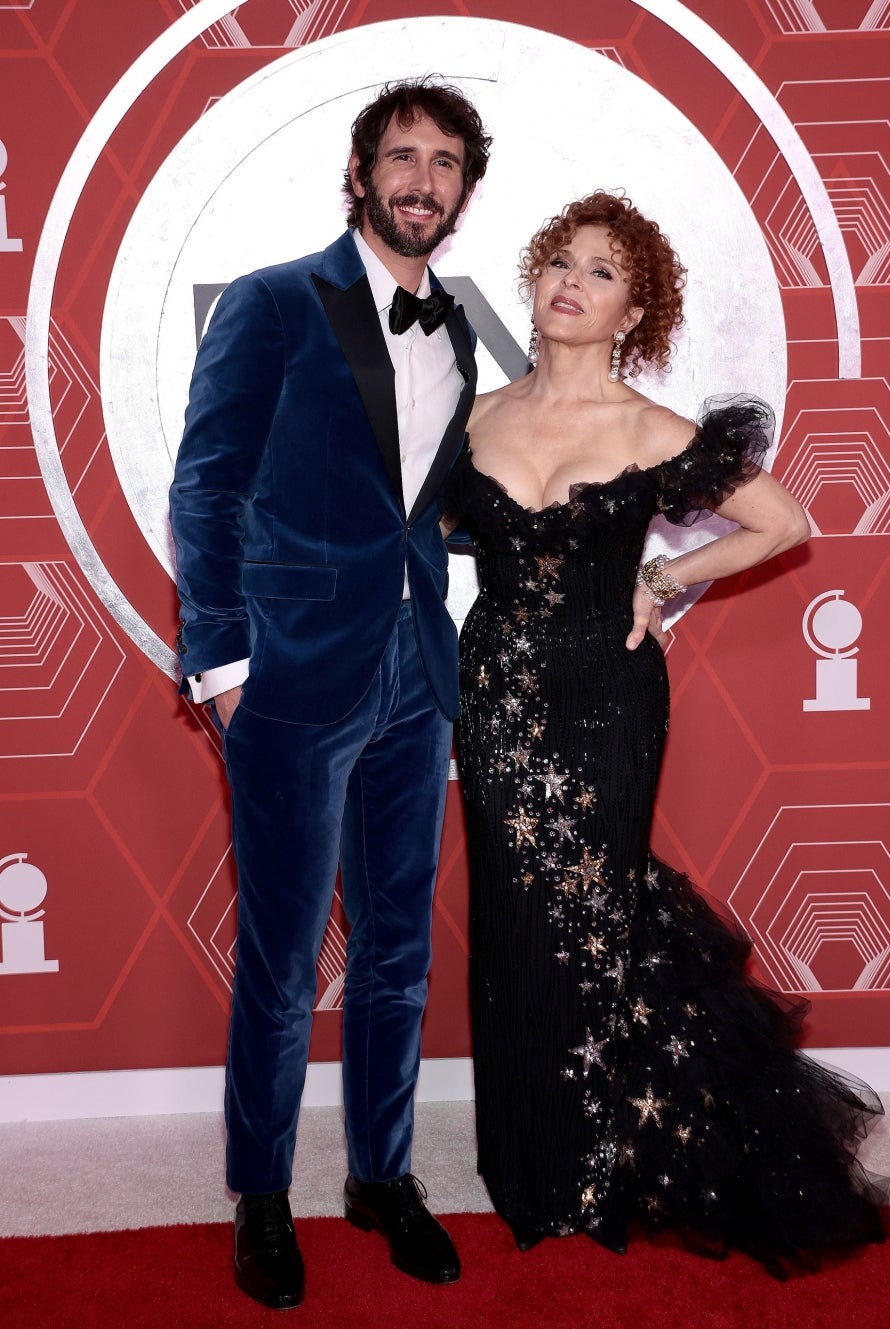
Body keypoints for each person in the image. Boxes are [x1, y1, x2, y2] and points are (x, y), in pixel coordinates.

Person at [444, 191, 889, 1274]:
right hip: (498, 694)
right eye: (561, 260)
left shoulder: (652, 429)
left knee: (598, 912)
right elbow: (409, 533)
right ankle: (527, 1165)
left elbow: (783, 522)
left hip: (608, 693)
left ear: (634, 312)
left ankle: (596, 1167)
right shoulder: (472, 416)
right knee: (513, 918)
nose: (572, 281)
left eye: (601, 272)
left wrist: (663, 576)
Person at [168, 79, 491, 1310]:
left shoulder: (456, 332)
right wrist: (225, 664)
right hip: (291, 677)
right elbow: (207, 486)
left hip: (415, 672)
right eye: (401, 156)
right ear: (360, 175)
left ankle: (381, 1175)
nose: (422, 179)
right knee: (284, 953)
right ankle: (262, 1194)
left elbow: (423, 507)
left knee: (399, 947)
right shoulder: (271, 302)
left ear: (464, 191)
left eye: (445, 161)